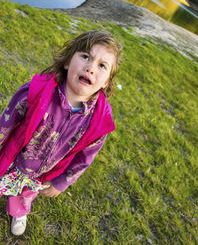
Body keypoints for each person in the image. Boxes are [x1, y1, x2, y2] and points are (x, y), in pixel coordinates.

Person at [0, 30, 121, 236]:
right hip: (13, 158)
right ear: (67, 62)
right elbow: (7, 121)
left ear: (107, 82)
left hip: (42, 174)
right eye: (85, 56)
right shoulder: (37, 91)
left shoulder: (99, 122)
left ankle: (19, 211)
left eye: (102, 66)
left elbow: (85, 158)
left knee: (25, 195)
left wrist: (62, 182)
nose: (91, 67)